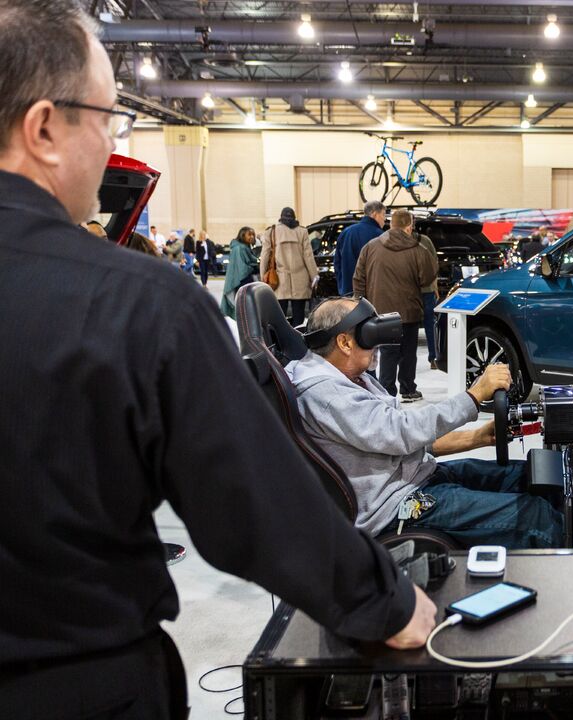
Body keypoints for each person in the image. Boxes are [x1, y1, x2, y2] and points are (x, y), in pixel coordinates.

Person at [0, 3, 434, 715]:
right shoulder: (137, 304)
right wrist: (383, 601)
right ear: (44, 127)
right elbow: (254, 504)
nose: (113, 143)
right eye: (108, 119)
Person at [288, 298, 573, 609]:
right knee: (530, 517)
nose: (378, 345)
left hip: (413, 477)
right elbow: (401, 432)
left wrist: (478, 436)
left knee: (534, 477)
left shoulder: (350, 379)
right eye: (368, 336)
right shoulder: (326, 393)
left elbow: (402, 438)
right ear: (344, 341)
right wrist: (473, 396)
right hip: (397, 506)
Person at [353, 209, 437, 401]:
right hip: (409, 311)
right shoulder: (418, 250)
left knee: (388, 353)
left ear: (390, 225)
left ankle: (387, 392)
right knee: (408, 353)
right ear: (409, 227)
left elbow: (358, 278)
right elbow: (428, 278)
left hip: (379, 311)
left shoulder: (370, 247)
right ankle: (408, 389)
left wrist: (362, 304)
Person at [260, 206, 318, 327]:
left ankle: (281, 342)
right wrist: (314, 276)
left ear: (281, 217)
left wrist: (263, 276)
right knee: (299, 317)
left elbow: (265, 255)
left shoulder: (272, 231)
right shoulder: (302, 231)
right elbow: (308, 256)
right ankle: (298, 340)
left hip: (279, 280)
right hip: (301, 278)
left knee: (279, 316)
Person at [335, 199, 386, 296]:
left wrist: (342, 286)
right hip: (371, 293)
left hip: (347, 291)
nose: (384, 219)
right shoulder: (380, 236)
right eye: (383, 215)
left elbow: (337, 263)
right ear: (375, 214)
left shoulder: (346, 232)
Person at [220, 226, 260, 319]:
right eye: (249, 235)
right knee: (243, 307)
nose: (252, 237)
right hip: (241, 281)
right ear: (242, 235)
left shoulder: (241, 247)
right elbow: (242, 269)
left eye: (253, 235)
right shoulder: (240, 248)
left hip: (239, 280)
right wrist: (256, 266)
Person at [417, 230, 440, 370]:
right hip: (426, 289)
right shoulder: (424, 240)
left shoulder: (425, 240)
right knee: (430, 323)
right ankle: (433, 358)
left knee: (429, 324)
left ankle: (433, 357)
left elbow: (434, 263)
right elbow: (434, 264)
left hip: (419, 291)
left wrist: (434, 285)